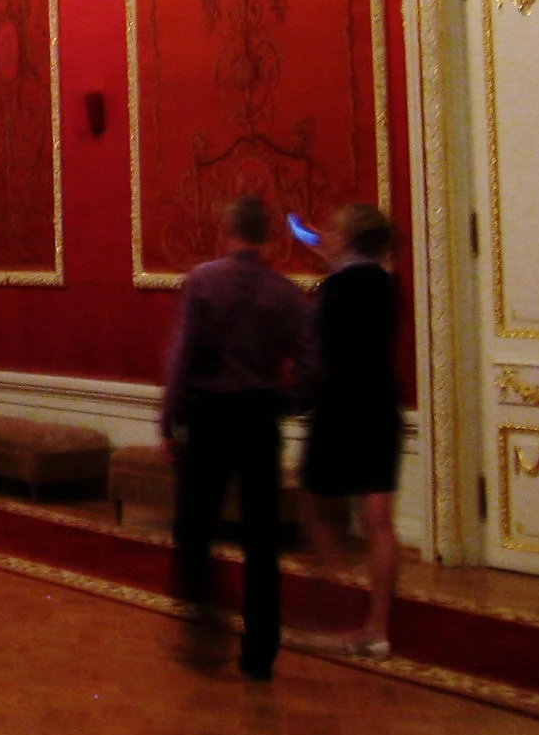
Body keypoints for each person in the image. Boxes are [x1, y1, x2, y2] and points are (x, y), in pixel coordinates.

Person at [157, 194, 319, 682]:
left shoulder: (205, 281)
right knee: (262, 538)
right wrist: (287, 402)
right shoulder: (286, 293)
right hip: (258, 419)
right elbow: (311, 365)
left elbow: (182, 356)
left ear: (227, 229)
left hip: (208, 416)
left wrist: (169, 420)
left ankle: (207, 617)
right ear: (267, 235)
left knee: (194, 526)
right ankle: (259, 652)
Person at [298, 204, 403, 658]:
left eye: (334, 230)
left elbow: (319, 348)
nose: (326, 233)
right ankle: (377, 627)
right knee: (379, 522)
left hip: (340, 405)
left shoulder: (336, 288)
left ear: (351, 238)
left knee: (317, 507)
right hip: (380, 404)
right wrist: (327, 264)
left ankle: (335, 600)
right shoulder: (385, 284)